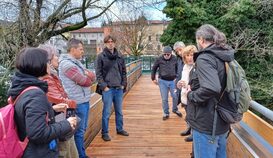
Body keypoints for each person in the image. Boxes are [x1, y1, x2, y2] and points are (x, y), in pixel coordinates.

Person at [8, 48, 77, 158]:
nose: (49, 65)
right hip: (38, 153)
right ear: (38, 65)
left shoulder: (23, 87)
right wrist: (67, 124)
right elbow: (37, 134)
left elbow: (27, 117)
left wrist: (51, 110)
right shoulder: (35, 94)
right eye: (47, 62)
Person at [186, 24, 235, 158]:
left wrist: (191, 95)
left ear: (201, 39)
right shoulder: (224, 55)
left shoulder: (205, 58)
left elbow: (211, 87)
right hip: (222, 120)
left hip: (207, 122)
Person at [39, 44, 79, 158]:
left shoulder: (52, 76)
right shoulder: (47, 79)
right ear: (48, 60)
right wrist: (73, 103)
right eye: (56, 55)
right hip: (58, 121)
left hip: (61, 120)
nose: (58, 58)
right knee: (65, 151)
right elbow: (58, 99)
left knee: (70, 149)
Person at [59, 39, 96, 158]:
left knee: (80, 130)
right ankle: (81, 155)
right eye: (80, 49)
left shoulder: (76, 62)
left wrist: (88, 76)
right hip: (76, 103)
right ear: (73, 49)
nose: (83, 51)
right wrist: (87, 76)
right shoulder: (67, 64)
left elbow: (92, 76)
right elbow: (85, 81)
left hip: (82, 100)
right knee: (78, 132)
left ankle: (80, 154)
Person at [95, 35, 129, 142]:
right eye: (108, 42)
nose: (110, 43)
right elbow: (98, 74)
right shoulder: (101, 56)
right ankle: (104, 132)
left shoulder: (120, 56)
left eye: (112, 41)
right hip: (108, 89)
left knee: (119, 111)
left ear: (115, 42)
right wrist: (104, 87)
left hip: (118, 88)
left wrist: (124, 84)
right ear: (105, 43)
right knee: (106, 112)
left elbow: (123, 71)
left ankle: (120, 129)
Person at [151, 46, 182, 120]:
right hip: (162, 81)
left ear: (171, 54)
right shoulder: (159, 59)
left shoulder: (175, 59)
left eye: (168, 54)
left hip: (173, 81)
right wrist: (153, 78)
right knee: (164, 98)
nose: (166, 56)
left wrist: (177, 77)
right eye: (164, 54)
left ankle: (175, 109)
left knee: (175, 96)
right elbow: (154, 68)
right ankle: (166, 113)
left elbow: (178, 68)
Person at [177, 45, 197, 142]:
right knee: (188, 114)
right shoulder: (185, 67)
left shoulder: (197, 67)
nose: (189, 57)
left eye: (192, 55)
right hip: (185, 95)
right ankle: (189, 129)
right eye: (187, 55)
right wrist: (179, 83)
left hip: (192, 96)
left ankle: (194, 134)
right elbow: (183, 80)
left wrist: (189, 85)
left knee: (193, 116)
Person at [173, 41, 185, 107]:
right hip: (180, 84)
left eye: (180, 50)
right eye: (177, 51)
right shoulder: (178, 59)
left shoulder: (190, 57)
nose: (179, 53)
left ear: (184, 47)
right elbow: (177, 73)